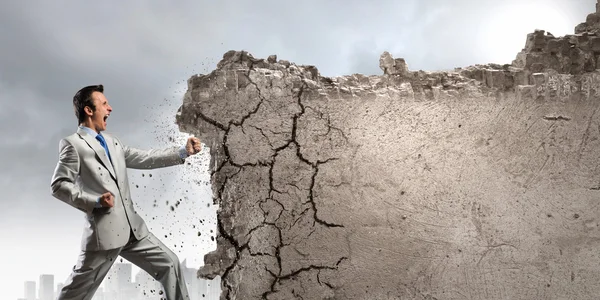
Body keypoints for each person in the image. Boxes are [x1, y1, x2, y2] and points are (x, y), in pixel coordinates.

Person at [50, 84, 201, 300]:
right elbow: (59, 185)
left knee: (170, 263)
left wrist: (182, 152)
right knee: (76, 293)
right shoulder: (73, 145)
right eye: (104, 104)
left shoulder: (113, 142)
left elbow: (145, 158)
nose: (110, 108)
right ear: (89, 110)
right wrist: (95, 201)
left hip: (133, 231)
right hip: (104, 236)